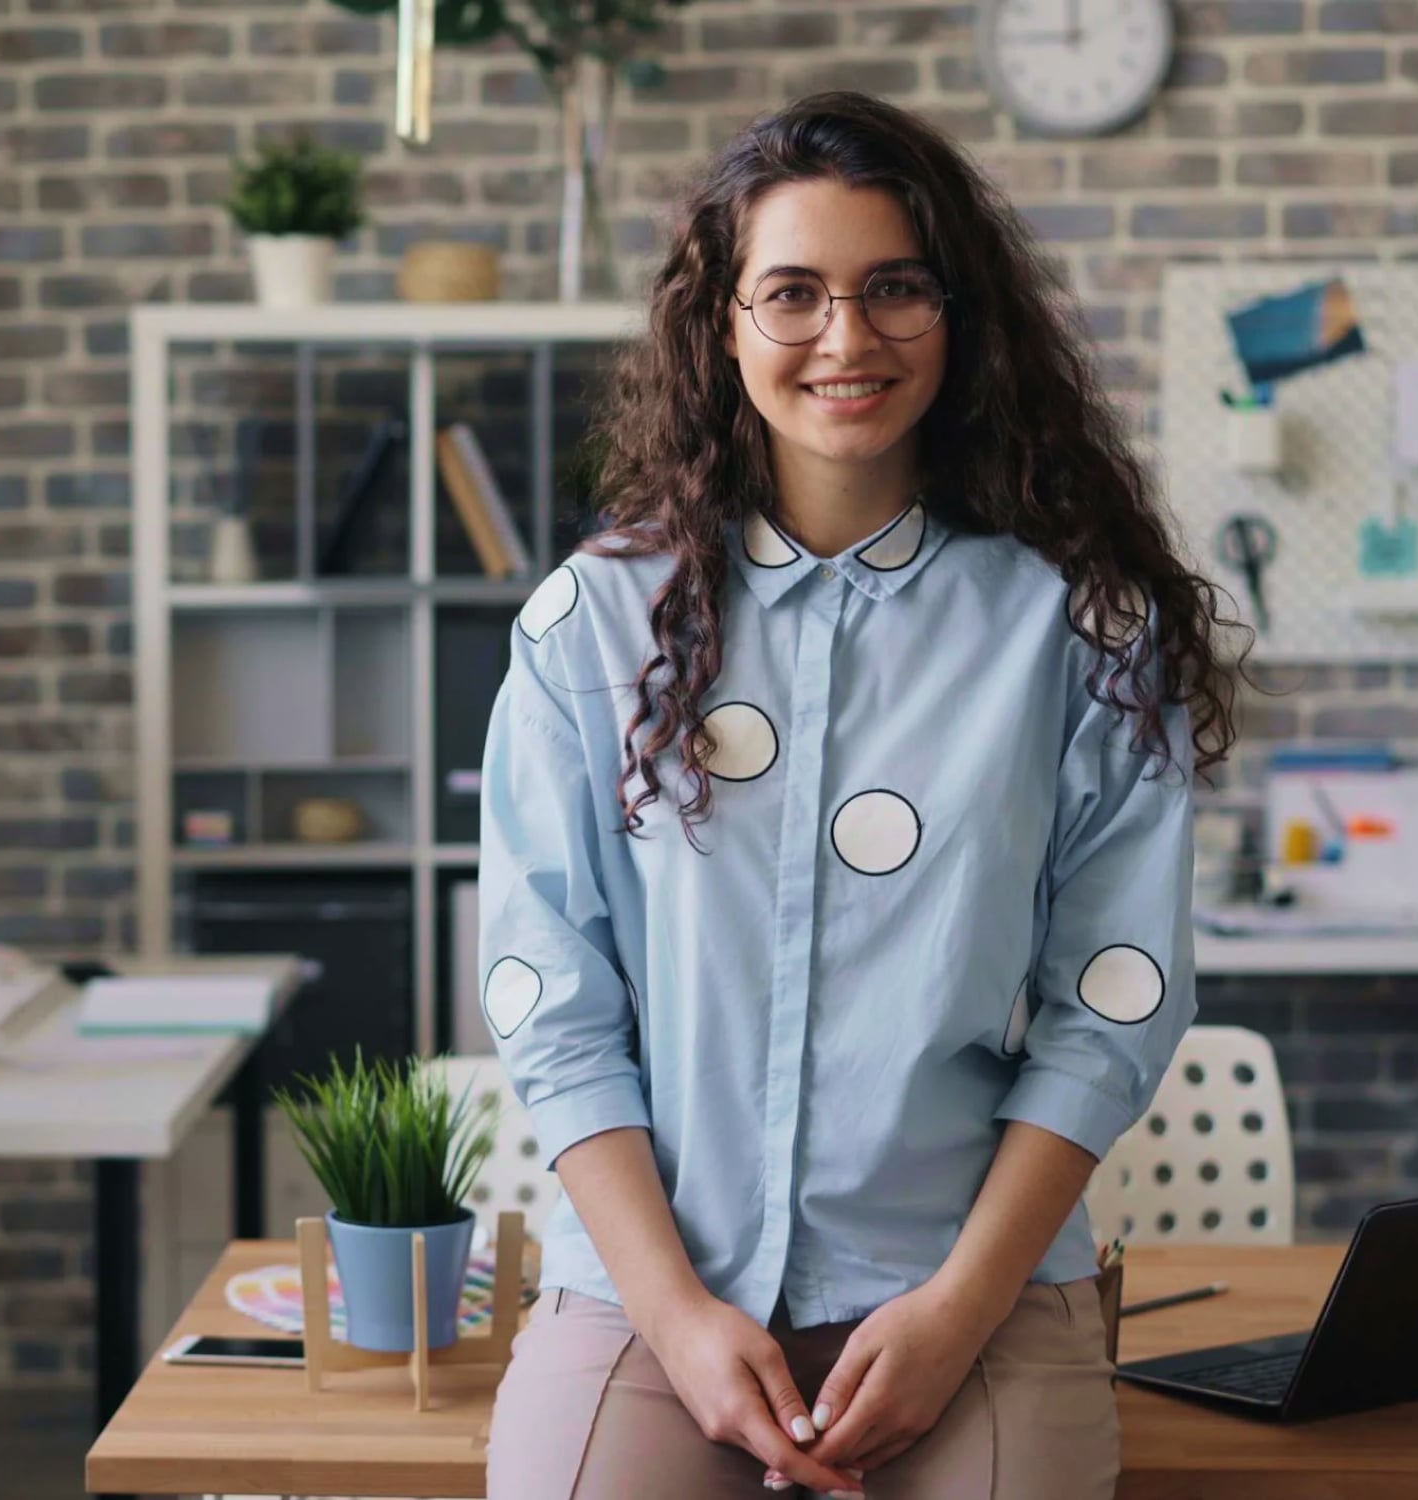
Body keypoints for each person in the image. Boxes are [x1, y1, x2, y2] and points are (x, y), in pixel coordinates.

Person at [474, 90, 1246, 1500]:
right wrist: (678, 1319)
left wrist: (957, 1316)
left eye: (896, 289)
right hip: (659, 1289)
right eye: (795, 294)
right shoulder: (591, 624)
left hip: (970, 1293)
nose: (849, 338)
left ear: (961, 317)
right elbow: (554, 1003)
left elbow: (1113, 1005)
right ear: (724, 325)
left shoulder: (1079, 631)